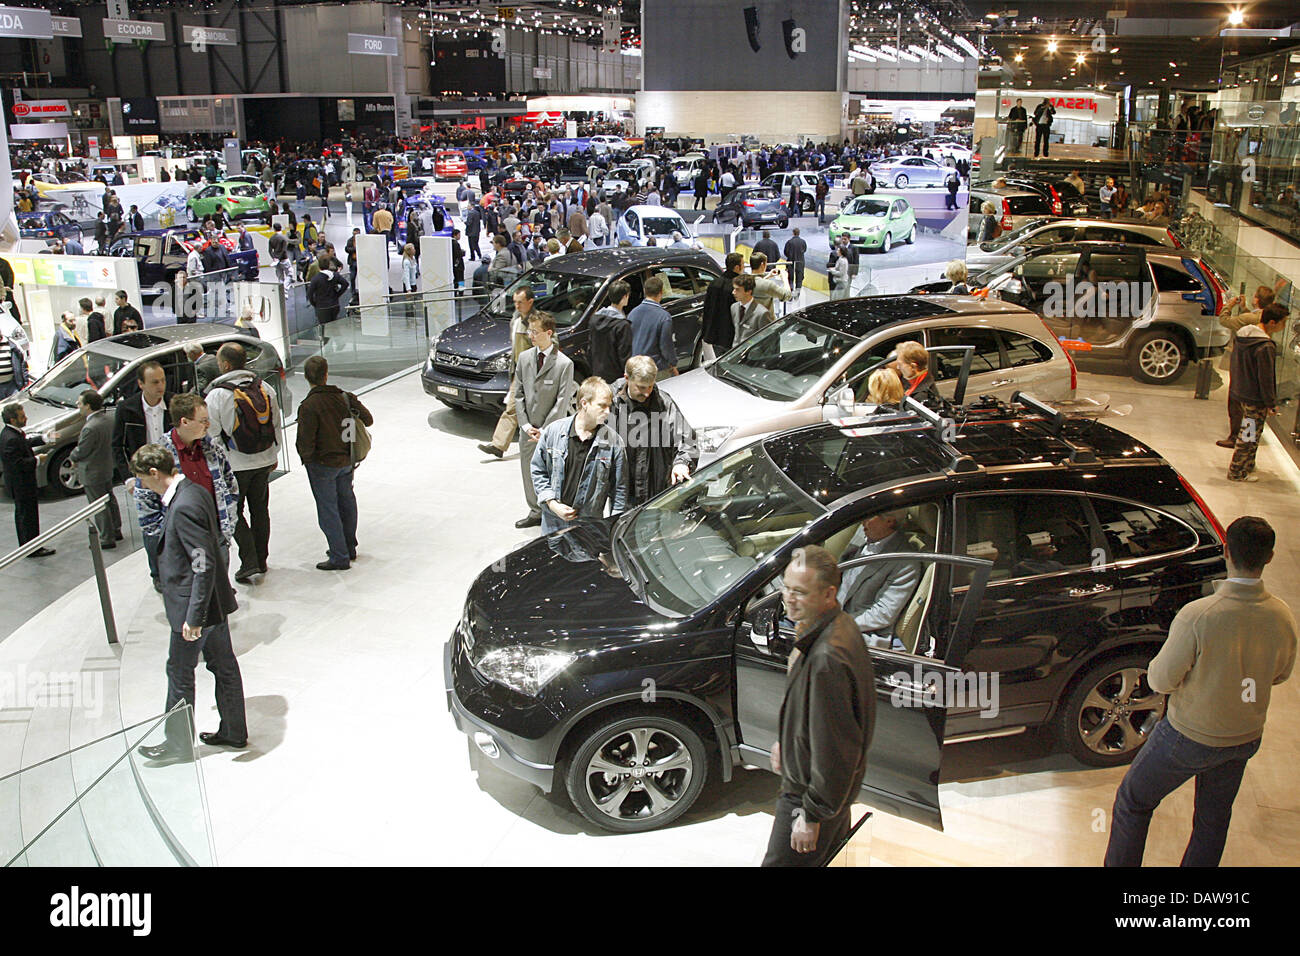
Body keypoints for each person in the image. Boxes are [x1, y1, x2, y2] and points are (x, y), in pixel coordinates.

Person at [1104, 516, 1296, 866]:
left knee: (1133, 802)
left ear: (1226, 550)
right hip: (1244, 739)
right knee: (1213, 820)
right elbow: (1280, 674)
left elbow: (1160, 681)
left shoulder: (1199, 615)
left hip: (1187, 739)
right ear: (1269, 557)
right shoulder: (1281, 615)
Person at [130, 444, 248, 761]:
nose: (141, 485)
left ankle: (178, 744)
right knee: (224, 665)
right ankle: (234, 730)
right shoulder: (193, 490)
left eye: (142, 479)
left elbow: (202, 563)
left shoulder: (182, 506)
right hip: (214, 602)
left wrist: (194, 618)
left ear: (154, 474)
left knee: (180, 672)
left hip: (195, 608)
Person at [763, 545, 875, 866]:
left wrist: (811, 815)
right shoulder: (835, 626)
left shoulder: (828, 658)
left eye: (800, 592)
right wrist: (785, 741)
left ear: (828, 594)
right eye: (786, 587)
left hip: (808, 796)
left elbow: (837, 749)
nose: (788, 597)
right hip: (825, 794)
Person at [204, 343, 280, 584]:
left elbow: (212, 435)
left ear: (225, 365)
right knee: (260, 511)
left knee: (234, 513)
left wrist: (217, 467)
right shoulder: (265, 388)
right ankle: (262, 559)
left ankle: (249, 562)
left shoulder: (216, 395)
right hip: (263, 461)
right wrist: (273, 455)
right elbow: (276, 425)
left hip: (234, 467)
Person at [295, 356, 372, 570]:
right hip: (348, 460)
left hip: (323, 465)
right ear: (326, 374)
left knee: (328, 509)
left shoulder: (309, 406)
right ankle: (349, 547)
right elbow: (369, 419)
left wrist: (308, 461)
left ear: (306, 378)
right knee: (347, 501)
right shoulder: (345, 397)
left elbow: (305, 441)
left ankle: (339, 556)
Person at [530, 377, 627, 535]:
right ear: (584, 403)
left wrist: (612, 529)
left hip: (589, 527)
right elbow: (538, 471)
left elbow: (619, 492)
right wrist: (552, 503)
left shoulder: (614, 444)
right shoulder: (553, 432)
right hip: (553, 523)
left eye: (609, 406)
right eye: (602, 405)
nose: (608, 412)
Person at [511, 312, 576, 529]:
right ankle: (535, 510)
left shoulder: (564, 364)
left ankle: (551, 511)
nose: (531, 335)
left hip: (552, 432)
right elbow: (518, 394)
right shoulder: (524, 358)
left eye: (535, 332)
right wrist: (526, 425)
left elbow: (562, 401)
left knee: (552, 472)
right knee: (528, 471)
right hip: (527, 430)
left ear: (549, 333)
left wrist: (545, 430)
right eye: (529, 331)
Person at [113, 361, 174, 591]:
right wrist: (128, 478)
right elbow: (117, 446)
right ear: (141, 384)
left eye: (163, 381)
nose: (161, 386)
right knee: (151, 529)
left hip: (172, 477)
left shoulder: (173, 403)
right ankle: (157, 573)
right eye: (155, 382)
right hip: (144, 480)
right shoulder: (127, 409)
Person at [609, 356, 697, 507]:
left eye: (650, 386)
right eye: (641, 387)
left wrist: (682, 463)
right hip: (621, 492)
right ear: (627, 378)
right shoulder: (610, 401)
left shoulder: (663, 403)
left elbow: (686, 439)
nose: (647, 393)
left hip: (654, 489)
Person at [837, 511, 921, 648]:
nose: (862, 520)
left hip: (863, 631)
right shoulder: (863, 534)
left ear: (890, 521)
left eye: (869, 515)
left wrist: (837, 623)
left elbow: (883, 613)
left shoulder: (905, 562)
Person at [1227, 304, 1287, 481]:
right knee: (1249, 435)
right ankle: (1237, 471)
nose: (1284, 327)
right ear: (1272, 322)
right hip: (1256, 398)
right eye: (1283, 323)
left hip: (1241, 391)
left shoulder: (1244, 335)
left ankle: (1248, 465)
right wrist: (1271, 402)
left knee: (1251, 433)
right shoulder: (1265, 346)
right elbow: (1266, 378)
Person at [1217, 285, 1277, 447]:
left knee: (1237, 406)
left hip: (1244, 369)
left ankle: (1236, 438)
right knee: (1250, 414)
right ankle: (1247, 442)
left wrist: (1229, 305)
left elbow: (1224, 320)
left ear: (1256, 299)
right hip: (1253, 379)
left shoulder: (1254, 324)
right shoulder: (1263, 321)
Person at [68, 389, 123, 548]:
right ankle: (116, 529)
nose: (78, 406)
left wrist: (73, 456)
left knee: (99, 505)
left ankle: (106, 538)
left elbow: (82, 450)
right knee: (110, 500)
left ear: (88, 406)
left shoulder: (90, 427)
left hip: (92, 471)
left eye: (80, 403)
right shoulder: (107, 420)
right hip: (106, 467)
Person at [1, 404, 55, 557]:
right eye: (22, 416)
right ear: (13, 419)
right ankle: (31, 547)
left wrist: (43, 438)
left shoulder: (11, 433)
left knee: (24, 515)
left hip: (20, 484)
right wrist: (37, 459)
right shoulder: (11, 438)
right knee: (28, 516)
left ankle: (28, 545)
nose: (25, 418)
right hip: (22, 484)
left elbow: (24, 444)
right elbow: (18, 463)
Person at [700, 252, 745, 360]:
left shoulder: (714, 283)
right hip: (731, 335)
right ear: (737, 267)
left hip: (714, 333)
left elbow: (707, 309)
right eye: (743, 265)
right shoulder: (738, 287)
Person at [588, 280, 633, 383]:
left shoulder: (594, 319)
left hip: (598, 373)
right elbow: (625, 355)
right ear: (624, 297)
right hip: (616, 377)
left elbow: (590, 349)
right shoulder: (622, 325)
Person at [306, 254, 348, 347]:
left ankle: (327, 346)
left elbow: (309, 294)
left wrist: (315, 304)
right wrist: (337, 295)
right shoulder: (335, 275)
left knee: (324, 328)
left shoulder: (316, 278)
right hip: (334, 304)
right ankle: (339, 343)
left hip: (322, 306)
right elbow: (345, 284)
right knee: (334, 324)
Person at [731, 273, 772, 343]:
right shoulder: (734, 307)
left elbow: (769, 340)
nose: (733, 292)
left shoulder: (762, 313)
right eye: (734, 289)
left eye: (737, 290)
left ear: (748, 291)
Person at [0, 330, 29, 399]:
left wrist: (25, 383)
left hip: (12, 385)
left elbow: (22, 364)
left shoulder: (12, 344)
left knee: (15, 406)